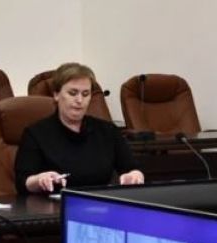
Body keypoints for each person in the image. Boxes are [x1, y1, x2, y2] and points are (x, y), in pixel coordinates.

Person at [15, 62, 144, 195]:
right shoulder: (36, 133)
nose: (79, 100)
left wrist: (134, 175)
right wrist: (38, 180)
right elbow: (22, 182)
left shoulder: (108, 131)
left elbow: (132, 168)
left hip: (99, 202)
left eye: (85, 94)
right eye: (73, 93)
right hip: (54, 204)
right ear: (56, 94)